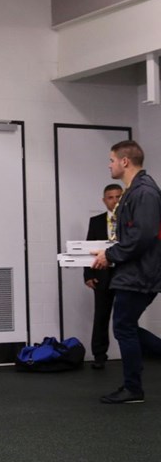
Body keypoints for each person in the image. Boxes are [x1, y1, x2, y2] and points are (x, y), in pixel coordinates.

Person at [91, 140, 161, 404]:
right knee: (125, 327)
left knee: (124, 327)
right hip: (133, 272)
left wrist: (110, 255)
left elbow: (142, 236)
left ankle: (133, 388)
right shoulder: (134, 192)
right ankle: (133, 386)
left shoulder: (145, 192)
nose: (109, 164)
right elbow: (132, 235)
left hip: (140, 274)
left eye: (111, 160)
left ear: (124, 161)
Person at [83, 183, 122, 369]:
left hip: (125, 274)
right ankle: (99, 355)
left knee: (125, 317)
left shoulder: (130, 220)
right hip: (103, 274)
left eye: (118, 197)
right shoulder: (96, 221)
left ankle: (130, 354)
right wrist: (88, 275)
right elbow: (88, 249)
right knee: (101, 315)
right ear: (104, 200)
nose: (115, 201)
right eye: (111, 197)